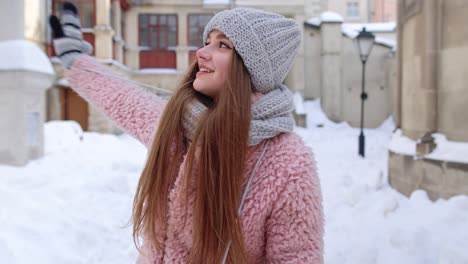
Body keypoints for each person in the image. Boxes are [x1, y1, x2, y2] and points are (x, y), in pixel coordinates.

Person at [50, 2, 323, 263]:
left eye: (223, 45)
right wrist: (77, 61)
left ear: (252, 70)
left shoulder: (288, 163)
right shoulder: (178, 126)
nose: (201, 53)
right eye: (207, 41)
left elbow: (297, 258)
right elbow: (123, 99)